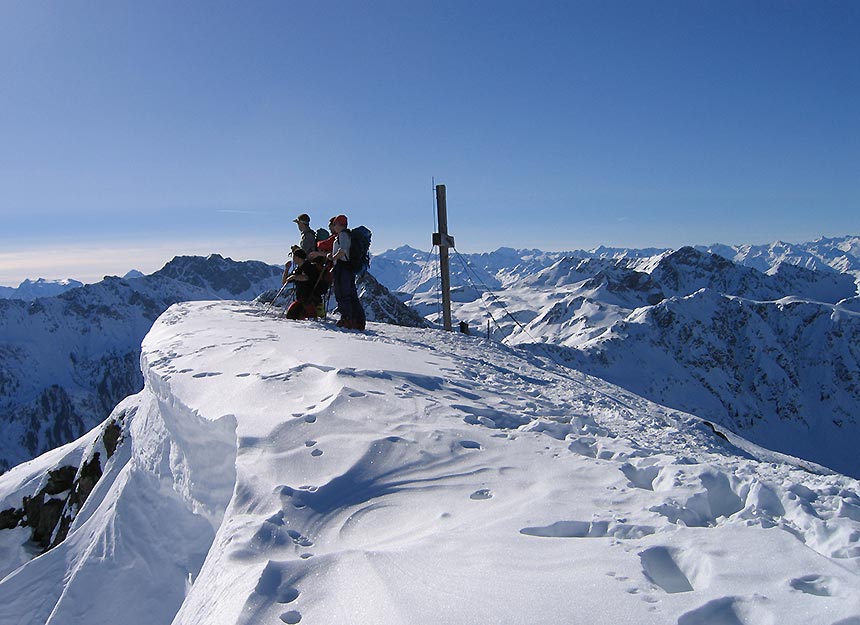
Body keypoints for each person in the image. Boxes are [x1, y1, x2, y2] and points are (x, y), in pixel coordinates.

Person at [328, 214, 366, 330]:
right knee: (350, 294)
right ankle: (357, 320)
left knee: (342, 293)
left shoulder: (343, 235)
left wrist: (333, 257)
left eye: (335, 224)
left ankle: (347, 318)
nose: (333, 227)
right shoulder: (345, 235)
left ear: (339, 225)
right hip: (347, 268)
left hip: (342, 267)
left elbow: (343, 251)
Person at [283, 248, 321, 320]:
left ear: (298, 257)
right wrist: (287, 269)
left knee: (296, 316)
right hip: (301, 299)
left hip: (309, 299)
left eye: (294, 256)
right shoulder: (298, 269)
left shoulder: (309, 267)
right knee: (291, 316)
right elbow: (285, 281)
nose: (293, 259)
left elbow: (307, 278)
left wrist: (294, 277)